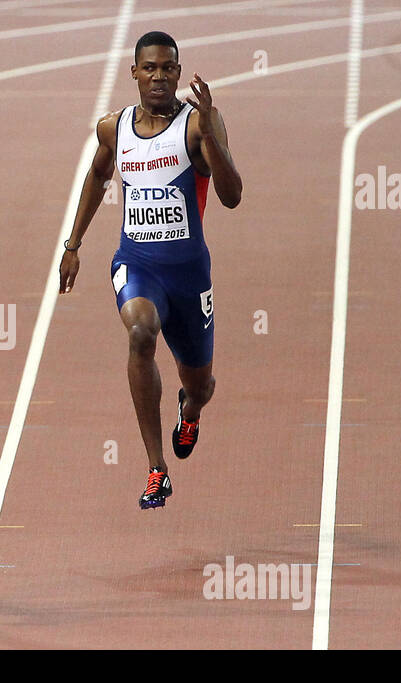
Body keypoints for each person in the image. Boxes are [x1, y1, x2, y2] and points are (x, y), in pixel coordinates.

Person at [58, 32, 242, 510]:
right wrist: (73, 245)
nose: (159, 76)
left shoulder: (198, 125)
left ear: (179, 74)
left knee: (200, 384)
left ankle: (190, 409)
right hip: (136, 265)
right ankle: (156, 468)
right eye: (150, 68)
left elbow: (232, 194)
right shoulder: (113, 129)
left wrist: (214, 136)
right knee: (141, 332)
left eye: (168, 68)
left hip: (189, 275)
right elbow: (99, 174)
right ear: (134, 73)